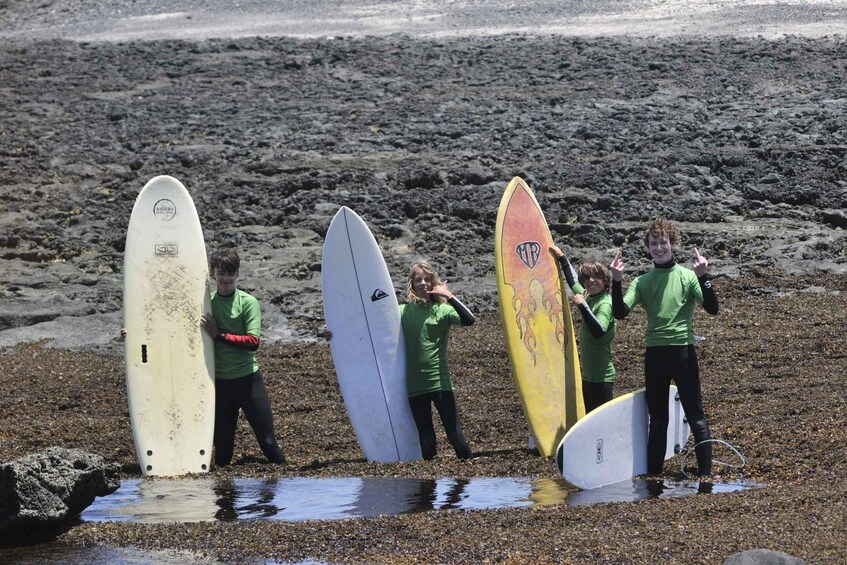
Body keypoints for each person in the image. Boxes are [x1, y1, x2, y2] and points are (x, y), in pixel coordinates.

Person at [609, 218, 719, 477]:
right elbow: (620, 312)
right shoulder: (642, 282)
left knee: (696, 416)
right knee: (658, 420)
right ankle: (654, 478)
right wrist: (615, 282)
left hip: (683, 352)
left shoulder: (688, 276)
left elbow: (713, 309)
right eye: (654, 243)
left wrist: (704, 277)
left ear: (672, 244)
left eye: (664, 243)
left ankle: (705, 477)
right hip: (655, 355)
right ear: (648, 247)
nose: (659, 248)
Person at [200, 248, 287, 467]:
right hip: (220, 384)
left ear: (238, 274)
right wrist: (131, 335)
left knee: (268, 443)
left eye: (230, 274)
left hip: (248, 381)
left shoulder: (248, 303)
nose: (226, 279)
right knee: (223, 450)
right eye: (221, 274)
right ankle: (224, 500)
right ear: (213, 274)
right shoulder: (207, 305)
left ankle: (284, 494)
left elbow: (252, 343)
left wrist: (218, 334)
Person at [401, 260, 475, 460]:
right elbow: (369, 322)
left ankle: (466, 482)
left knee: (455, 435)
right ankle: (428, 487)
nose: (423, 283)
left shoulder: (443, 311)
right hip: (414, 385)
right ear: (412, 284)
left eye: (427, 279)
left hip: (440, 382)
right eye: (418, 280)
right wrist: (332, 331)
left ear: (434, 282)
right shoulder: (401, 311)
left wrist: (449, 296)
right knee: (426, 438)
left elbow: (470, 320)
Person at [550, 246, 616, 413]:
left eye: (596, 277)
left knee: (601, 422)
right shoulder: (589, 295)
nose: (591, 281)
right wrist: (562, 258)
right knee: (588, 422)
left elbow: (599, 331)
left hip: (602, 377)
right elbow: (573, 281)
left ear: (605, 280)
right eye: (587, 278)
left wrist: (582, 306)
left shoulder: (605, 303)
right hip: (587, 375)